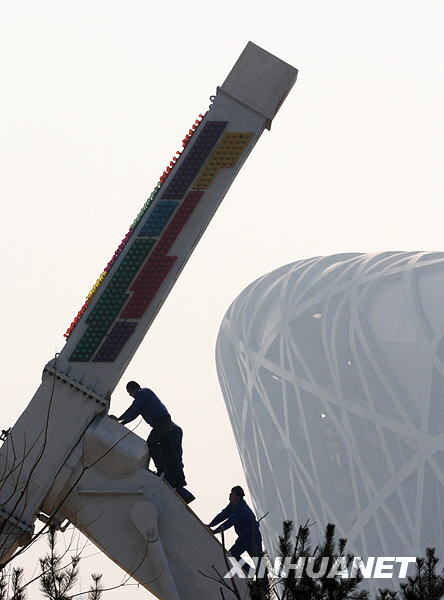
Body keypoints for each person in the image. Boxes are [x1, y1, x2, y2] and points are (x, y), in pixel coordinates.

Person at [111, 381, 194, 504]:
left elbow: (134, 409)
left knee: (152, 442)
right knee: (169, 453)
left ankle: (162, 470)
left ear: (132, 390)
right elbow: (134, 411)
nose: (130, 395)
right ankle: (173, 477)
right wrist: (121, 421)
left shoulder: (143, 393)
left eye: (129, 393)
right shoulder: (143, 395)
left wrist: (120, 420)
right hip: (163, 423)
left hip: (163, 423)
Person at [208, 486, 263, 570]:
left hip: (253, 539)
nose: (229, 495)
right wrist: (210, 525)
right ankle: (249, 572)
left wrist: (215, 531)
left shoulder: (243, 510)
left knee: (259, 565)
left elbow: (229, 522)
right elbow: (223, 515)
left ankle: (260, 580)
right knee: (232, 555)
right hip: (243, 538)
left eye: (232, 494)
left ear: (237, 496)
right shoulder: (233, 504)